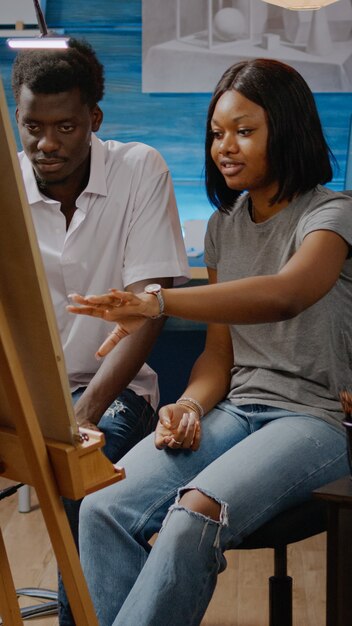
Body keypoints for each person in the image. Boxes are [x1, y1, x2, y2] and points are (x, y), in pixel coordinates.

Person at [69, 58, 352, 626]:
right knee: (102, 508)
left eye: (245, 131)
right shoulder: (225, 226)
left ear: (288, 129)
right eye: (218, 133)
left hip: (316, 420)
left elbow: (283, 295)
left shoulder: (333, 214)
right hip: (237, 409)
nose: (226, 146)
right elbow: (220, 356)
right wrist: (189, 405)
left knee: (195, 516)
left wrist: (158, 301)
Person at [11, 37, 189, 626]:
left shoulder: (139, 168)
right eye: (31, 126)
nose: (45, 144)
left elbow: (146, 312)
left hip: (116, 393)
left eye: (64, 127)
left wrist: (83, 416)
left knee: (79, 485)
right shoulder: (8, 182)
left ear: (94, 120)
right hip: (25, 395)